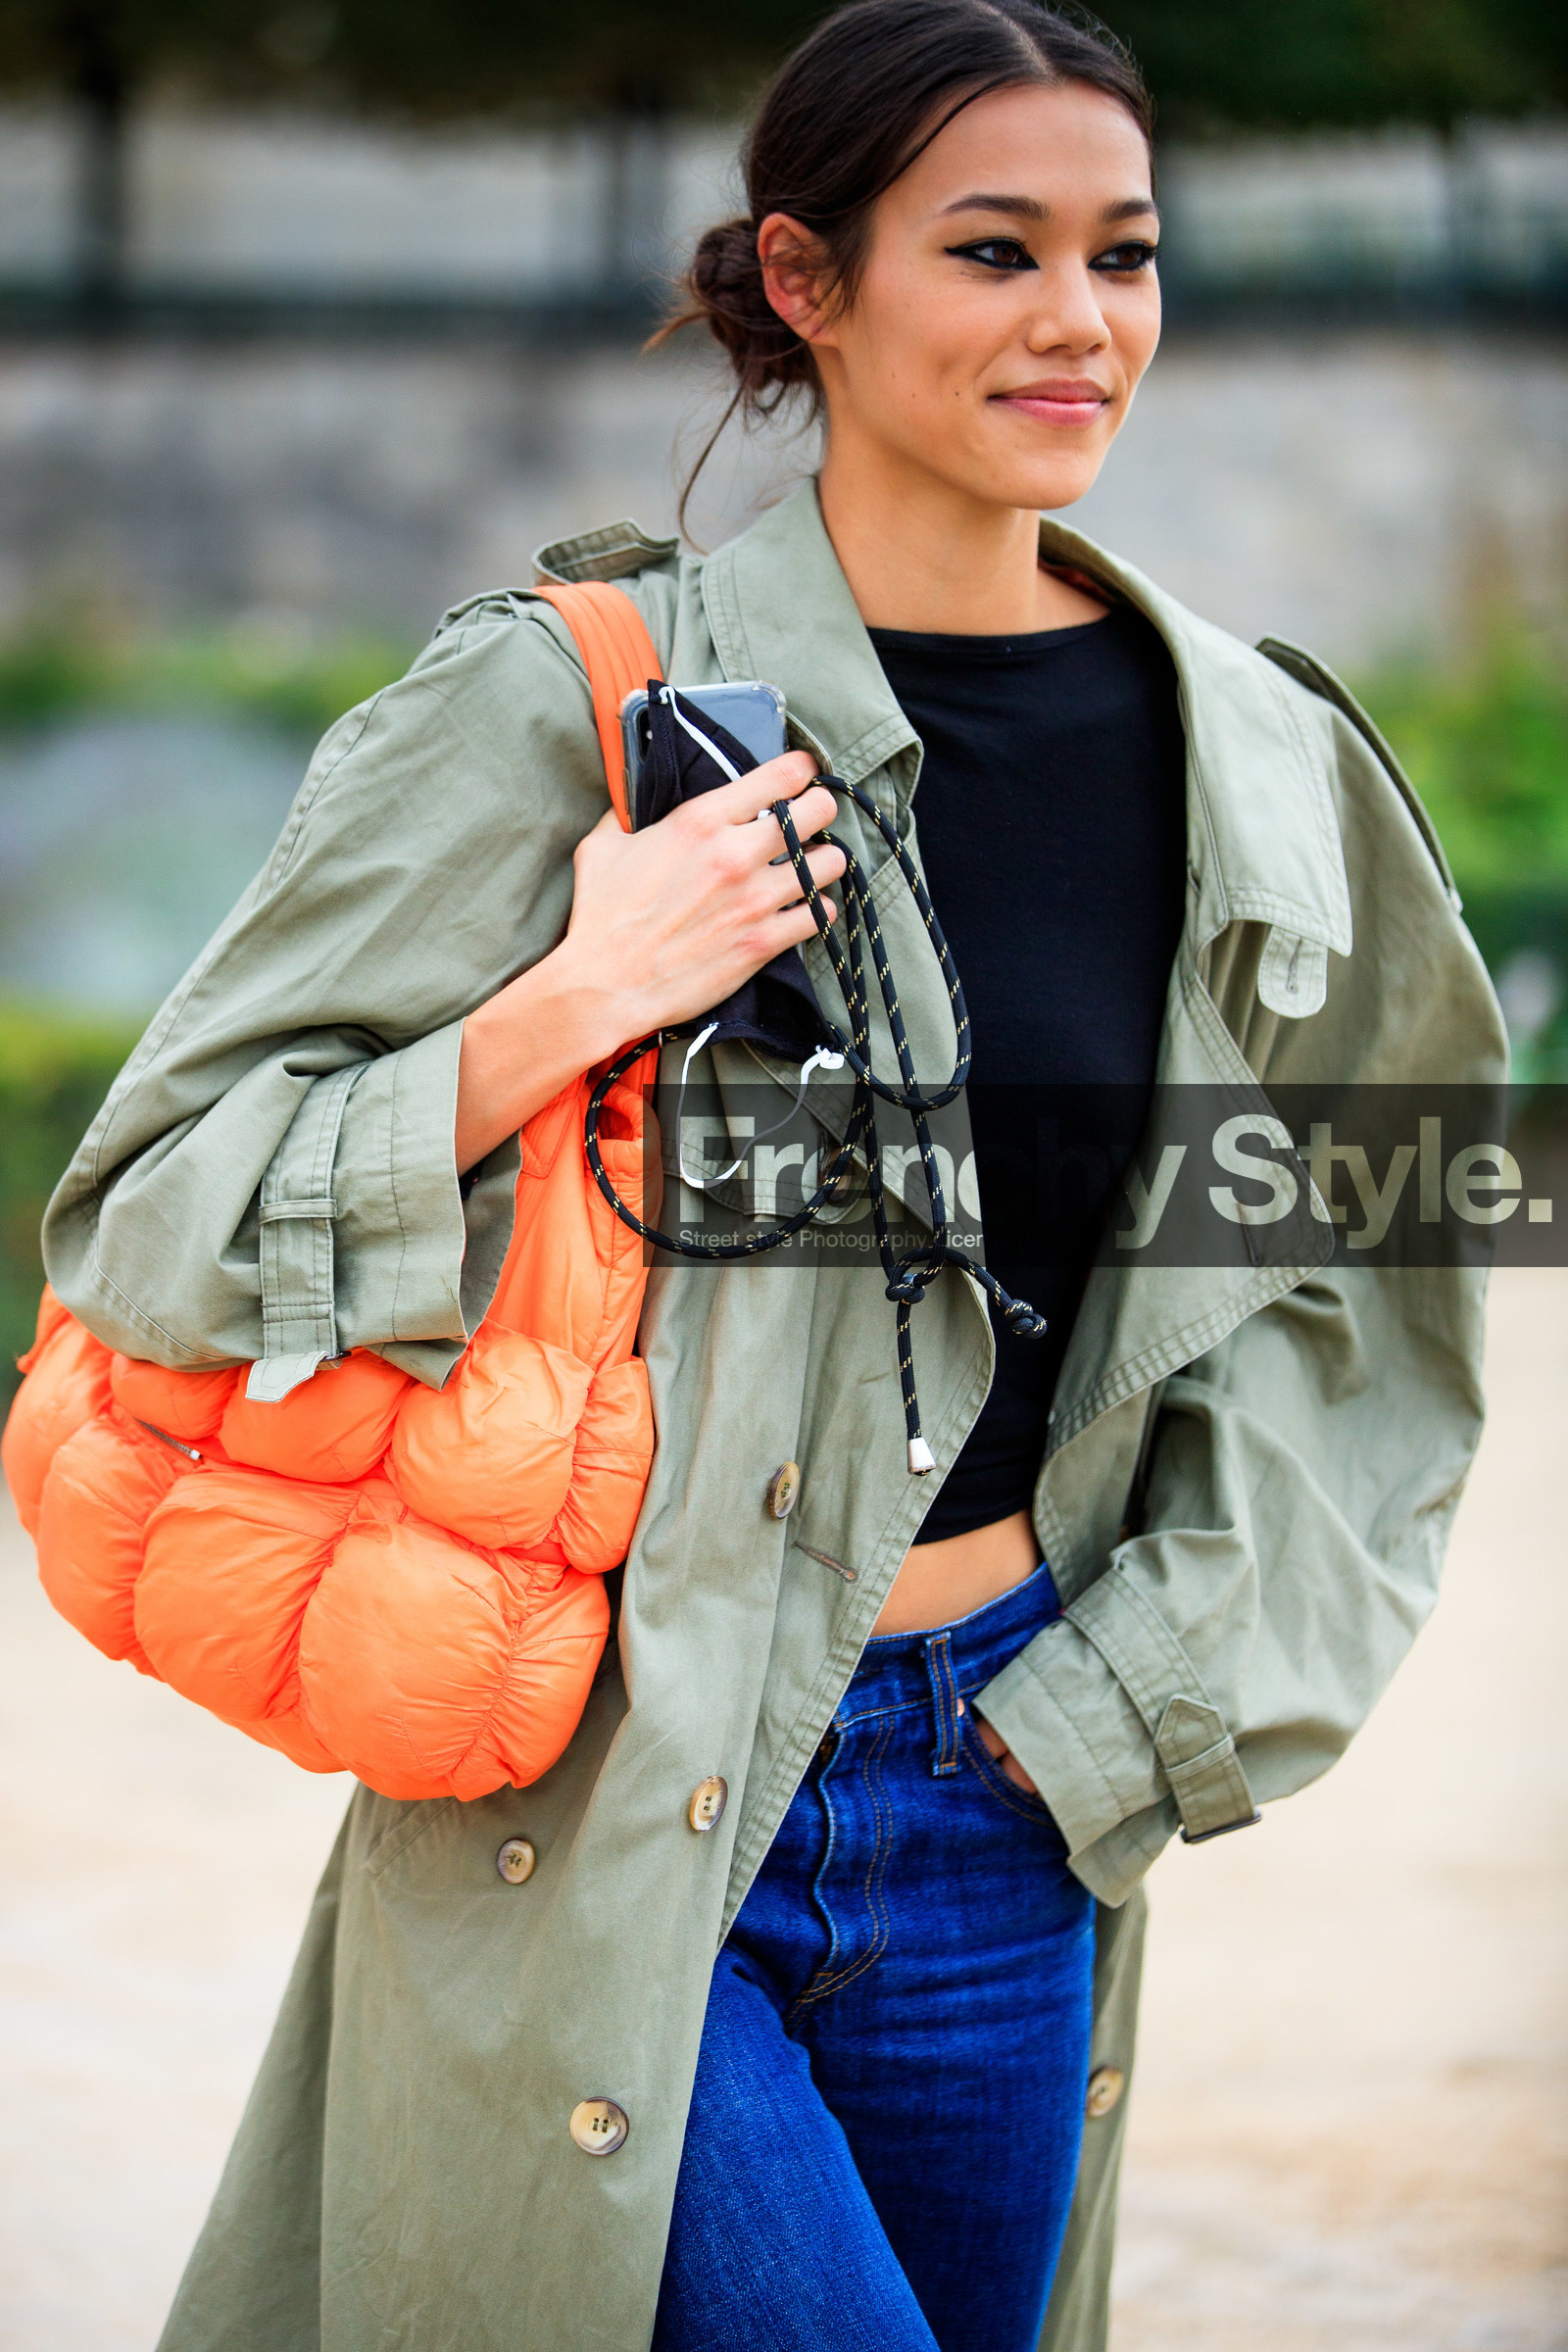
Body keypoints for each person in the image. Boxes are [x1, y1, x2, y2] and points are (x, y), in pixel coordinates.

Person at [38, 4, 1502, 2347]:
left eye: (1120, 254)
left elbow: (1376, 1263)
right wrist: (564, 1001)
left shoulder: (1257, 763)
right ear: (805, 287)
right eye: (992, 249)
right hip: (607, 1784)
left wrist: (1118, 1723)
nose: (1073, 319)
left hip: (1014, 1797)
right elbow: (151, 1217)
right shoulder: (562, 705)